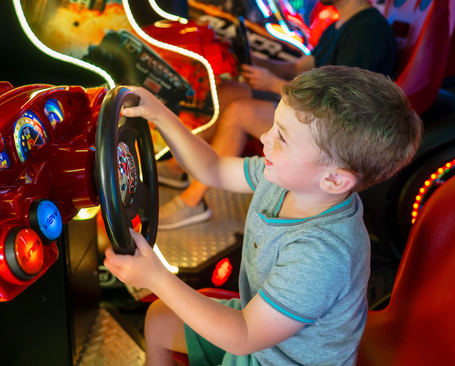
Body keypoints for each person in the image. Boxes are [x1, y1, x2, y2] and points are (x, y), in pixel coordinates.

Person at [104, 66, 422, 366]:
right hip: (258, 331)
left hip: (276, 356)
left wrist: (156, 277)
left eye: (282, 137)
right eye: (274, 126)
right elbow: (213, 168)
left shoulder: (322, 255)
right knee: (159, 319)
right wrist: (159, 114)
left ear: (334, 180)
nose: (264, 138)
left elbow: (244, 336)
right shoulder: (287, 181)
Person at [158, 0, 398, 230]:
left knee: (238, 112)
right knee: (229, 92)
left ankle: (192, 201)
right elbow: (303, 66)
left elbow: (339, 108)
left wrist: (272, 83)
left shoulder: (366, 32)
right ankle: (176, 168)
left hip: (333, 132)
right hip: (316, 113)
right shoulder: (342, 23)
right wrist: (259, 61)